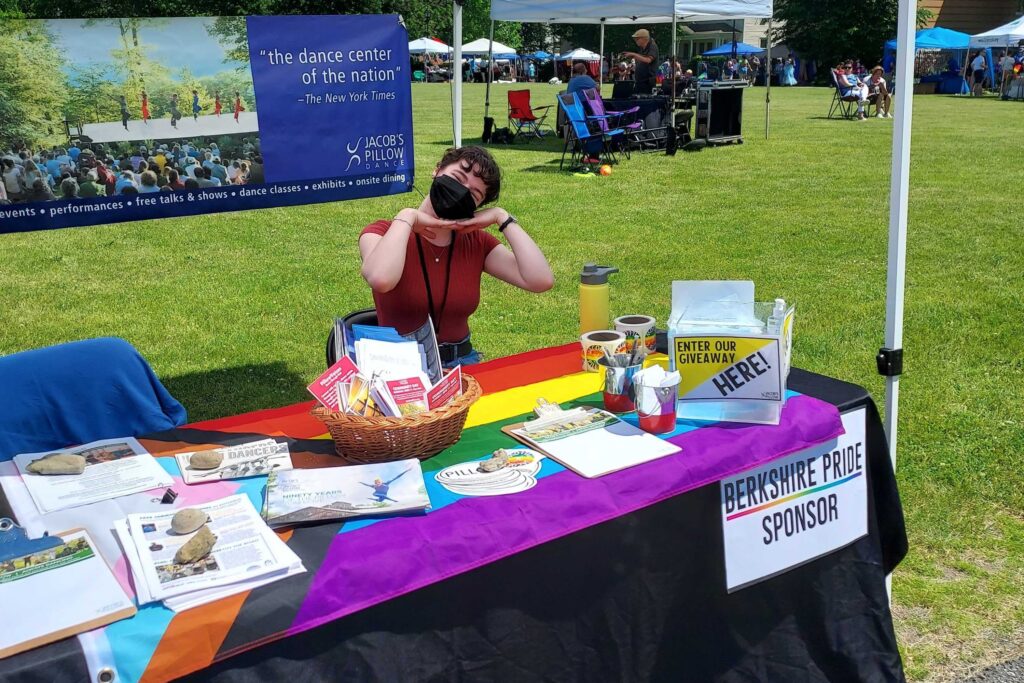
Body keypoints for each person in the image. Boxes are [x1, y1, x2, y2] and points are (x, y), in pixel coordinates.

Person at [358, 146, 553, 367]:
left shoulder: (476, 243)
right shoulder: (383, 231)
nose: (460, 190)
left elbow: (540, 280)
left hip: (462, 362)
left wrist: (502, 217)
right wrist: (407, 216)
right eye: (456, 178)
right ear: (437, 171)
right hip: (397, 366)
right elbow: (381, 279)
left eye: (473, 195)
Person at [621, 29, 658, 94]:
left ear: (644, 38)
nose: (635, 41)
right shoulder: (642, 48)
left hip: (647, 82)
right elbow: (640, 59)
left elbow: (648, 60)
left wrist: (633, 54)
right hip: (640, 82)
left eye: (637, 39)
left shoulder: (652, 47)